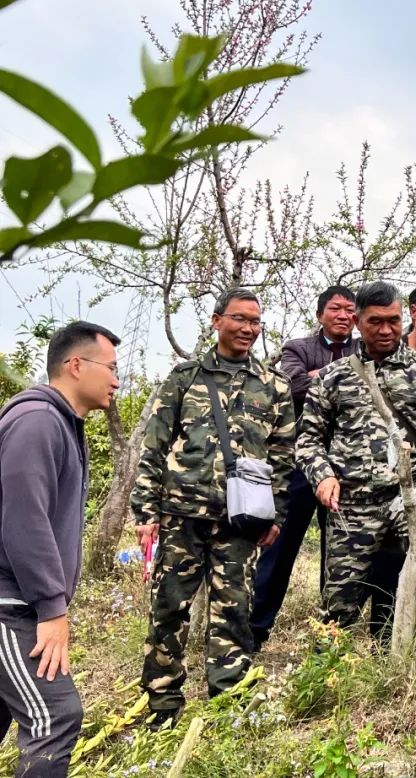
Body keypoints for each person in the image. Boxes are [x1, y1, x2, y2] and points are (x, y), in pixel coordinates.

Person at [132, 289, 295, 729]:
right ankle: (162, 704)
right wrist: (145, 513)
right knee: (169, 609)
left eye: (255, 322)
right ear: (216, 320)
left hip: (242, 520)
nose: (248, 329)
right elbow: (154, 447)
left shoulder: (274, 385)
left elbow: (283, 457)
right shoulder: (184, 377)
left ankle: (229, 704)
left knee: (235, 612)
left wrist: (277, 515)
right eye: (240, 319)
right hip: (181, 514)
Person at [295, 281, 416, 631]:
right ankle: (329, 662)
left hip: (408, 496)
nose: (386, 330)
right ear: (357, 322)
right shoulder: (333, 376)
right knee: (337, 608)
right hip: (352, 503)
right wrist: (323, 476)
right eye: (375, 322)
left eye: (393, 321)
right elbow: (308, 440)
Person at [0, 321, 120, 776]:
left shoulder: (61, 424)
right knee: (55, 717)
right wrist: (52, 608)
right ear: (75, 365)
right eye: (110, 368)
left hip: (18, 600)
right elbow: (24, 519)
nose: (116, 380)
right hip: (11, 604)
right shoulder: (38, 422)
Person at [250, 285, 356, 650]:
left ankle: (330, 636)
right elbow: (293, 386)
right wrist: (345, 374)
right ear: (320, 314)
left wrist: (319, 376)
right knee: (279, 545)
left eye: (350, 310)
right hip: (300, 460)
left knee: (338, 550)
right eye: (336, 308)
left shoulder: (364, 349)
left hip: (346, 463)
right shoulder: (298, 347)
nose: (343, 315)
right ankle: (254, 631)